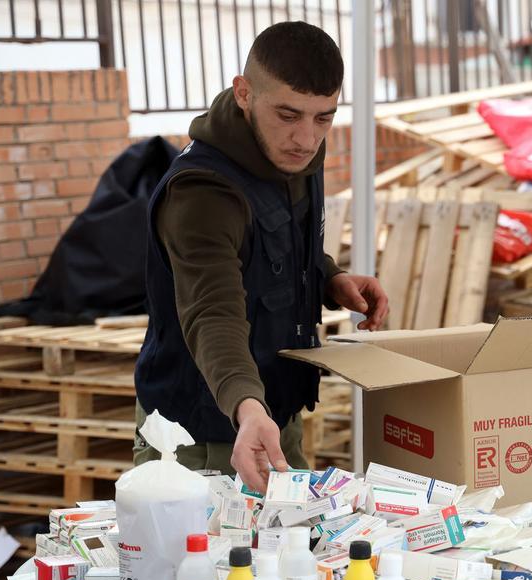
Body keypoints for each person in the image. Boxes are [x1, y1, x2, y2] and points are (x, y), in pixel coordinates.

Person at [133, 22, 388, 494]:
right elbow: (213, 313)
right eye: (288, 115)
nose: (307, 139)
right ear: (244, 92)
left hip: (273, 418)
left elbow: (278, 243)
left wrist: (329, 277)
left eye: (323, 118)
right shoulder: (201, 194)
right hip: (198, 440)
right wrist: (248, 408)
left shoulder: (294, 149)